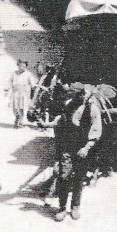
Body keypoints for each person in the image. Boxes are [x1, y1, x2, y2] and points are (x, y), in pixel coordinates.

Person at [39, 86, 102, 221]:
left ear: (90, 95)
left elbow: (96, 130)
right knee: (63, 178)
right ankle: (62, 209)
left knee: (79, 179)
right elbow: (61, 121)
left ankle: (75, 207)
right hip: (67, 147)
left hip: (83, 149)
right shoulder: (70, 105)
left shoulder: (93, 109)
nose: (82, 96)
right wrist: (47, 124)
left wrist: (86, 148)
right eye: (80, 93)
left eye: (85, 94)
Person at [5, 60, 37, 128]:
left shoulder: (28, 74)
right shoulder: (14, 73)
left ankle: (21, 122)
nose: (22, 67)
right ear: (18, 65)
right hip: (15, 93)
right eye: (21, 66)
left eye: (24, 66)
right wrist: (7, 89)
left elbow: (32, 84)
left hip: (23, 93)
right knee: (15, 108)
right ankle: (17, 117)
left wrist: (33, 89)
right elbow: (10, 82)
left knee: (21, 108)